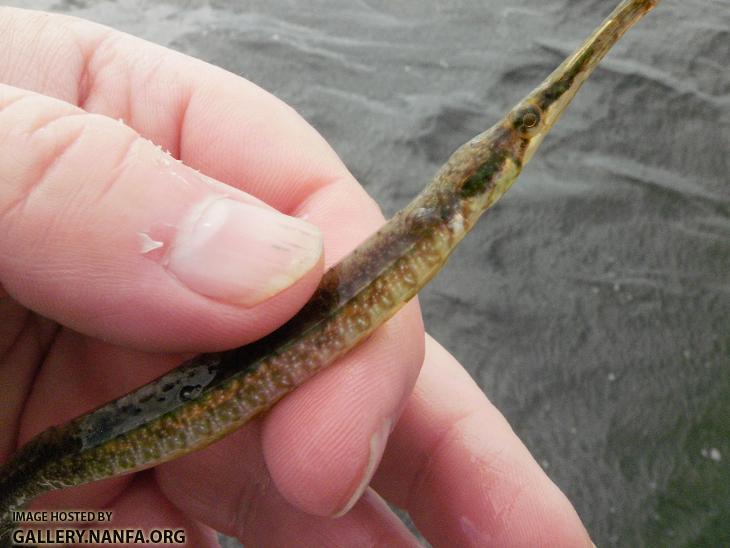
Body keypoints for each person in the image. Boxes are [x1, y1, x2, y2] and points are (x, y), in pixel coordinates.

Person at [0, 7, 593, 546]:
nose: (533, 127)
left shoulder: (446, 215)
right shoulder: (446, 214)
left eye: (528, 124)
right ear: (488, 171)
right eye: (528, 123)